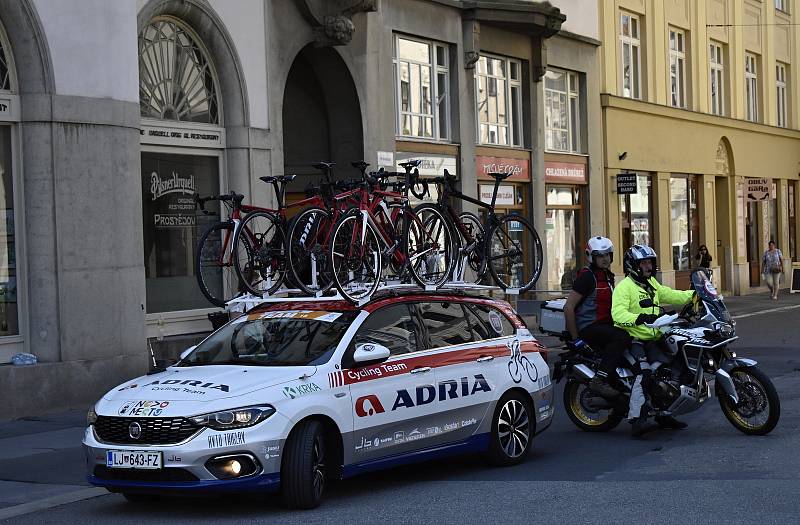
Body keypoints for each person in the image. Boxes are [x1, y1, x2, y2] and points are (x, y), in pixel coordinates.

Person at [611, 244, 695, 437]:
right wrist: (639, 318)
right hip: (634, 340)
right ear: (633, 265)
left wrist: (696, 294)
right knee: (644, 373)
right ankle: (637, 420)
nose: (649, 266)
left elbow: (670, 294)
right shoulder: (624, 287)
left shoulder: (651, 284)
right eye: (645, 263)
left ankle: (664, 414)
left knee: (670, 369)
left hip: (653, 338)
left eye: (650, 262)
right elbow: (617, 314)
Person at [563, 236, 630, 399]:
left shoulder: (606, 276)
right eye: (600, 255)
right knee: (621, 337)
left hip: (604, 326)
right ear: (592, 257)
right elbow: (568, 307)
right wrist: (576, 338)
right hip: (590, 327)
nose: (605, 259)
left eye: (608, 254)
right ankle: (599, 380)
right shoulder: (587, 277)